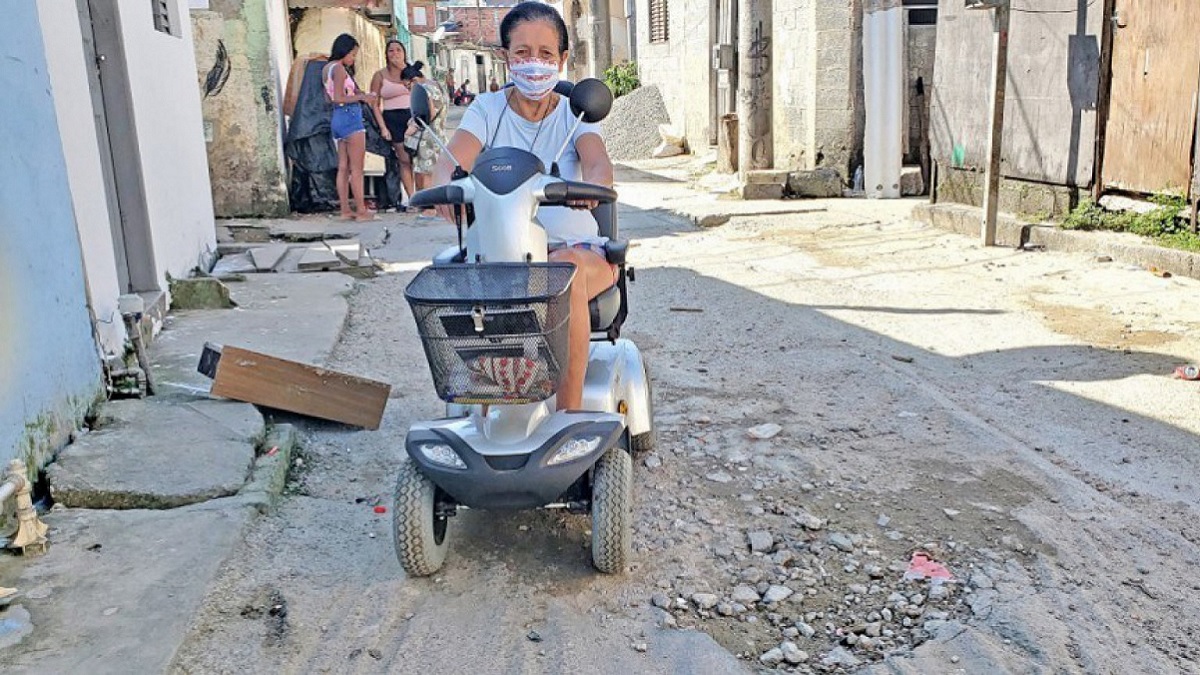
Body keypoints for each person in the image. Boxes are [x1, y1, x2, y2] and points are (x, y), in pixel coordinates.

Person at [432, 1, 615, 412]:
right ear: (505, 58)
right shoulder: (487, 110)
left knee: (562, 272)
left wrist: (590, 186)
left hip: (575, 252)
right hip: (506, 256)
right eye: (523, 53)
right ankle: (488, 412)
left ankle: (569, 417)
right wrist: (443, 187)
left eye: (546, 54)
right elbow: (449, 162)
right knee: (456, 274)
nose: (535, 64)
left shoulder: (576, 113)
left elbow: (600, 165)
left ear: (563, 59)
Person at [324, 33, 378, 221]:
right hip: (350, 117)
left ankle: (345, 210)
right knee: (356, 169)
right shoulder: (339, 69)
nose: (353, 58)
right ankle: (361, 211)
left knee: (343, 167)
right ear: (345, 51)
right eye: (353, 54)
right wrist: (362, 97)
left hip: (337, 119)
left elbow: (330, 97)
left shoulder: (327, 68)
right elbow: (339, 97)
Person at [371, 39, 416, 209]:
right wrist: (383, 127)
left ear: (404, 53)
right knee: (404, 160)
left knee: (418, 160)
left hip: (412, 116)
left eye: (398, 50)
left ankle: (423, 195)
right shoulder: (380, 75)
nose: (395, 54)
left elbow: (426, 91)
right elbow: (374, 103)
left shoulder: (412, 72)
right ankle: (412, 198)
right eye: (391, 51)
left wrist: (408, 74)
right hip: (392, 119)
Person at [402, 62, 448, 216]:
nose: (409, 91)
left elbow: (427, 113)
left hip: (428, 137)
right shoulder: (438, 85)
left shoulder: (426, 90)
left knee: (427, 172)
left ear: (414, 80)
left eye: (408, 87)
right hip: (438, 133)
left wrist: (412, 128)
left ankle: (430, 208)